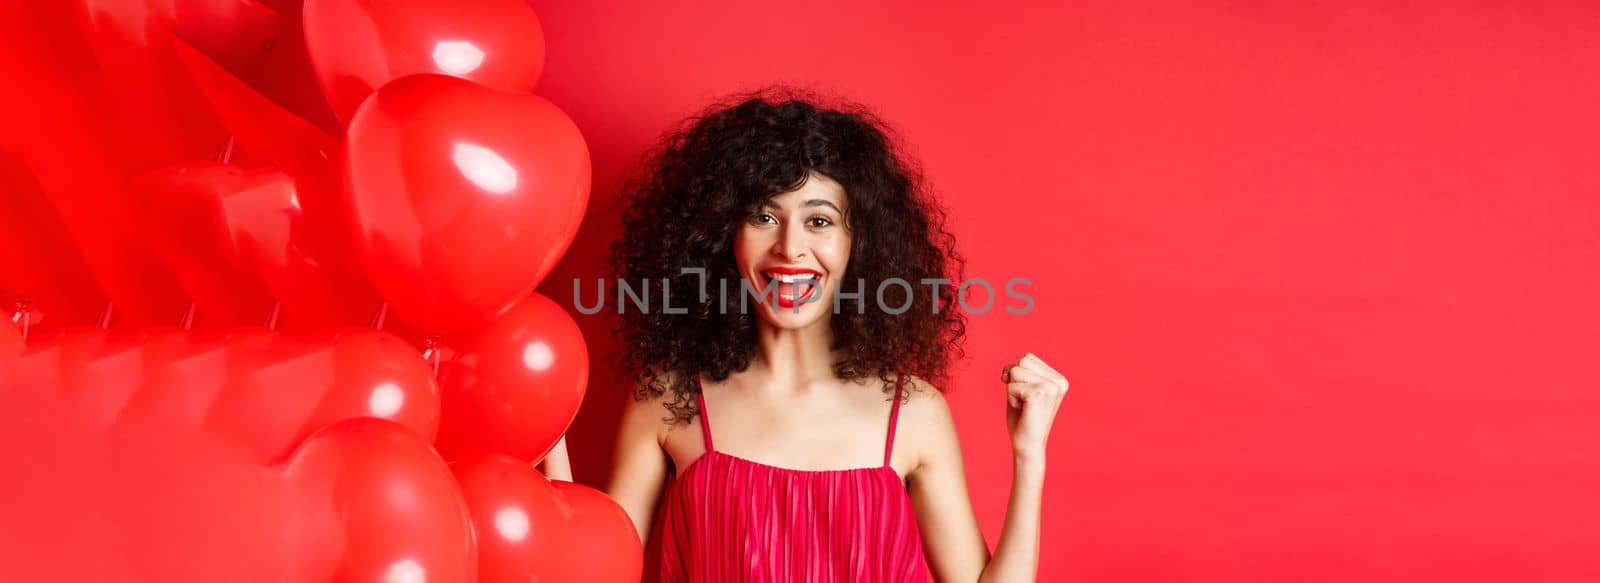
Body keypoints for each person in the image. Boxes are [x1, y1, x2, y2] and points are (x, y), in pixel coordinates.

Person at [601, 86, 1070, 582]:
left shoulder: (912, 411)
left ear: (858, 245)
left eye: (819, 220)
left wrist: (1029, 453)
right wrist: (547, 440)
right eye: (764, 216)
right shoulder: (669, 399)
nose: (790, 247)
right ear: (722, 235)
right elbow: (594, 570)